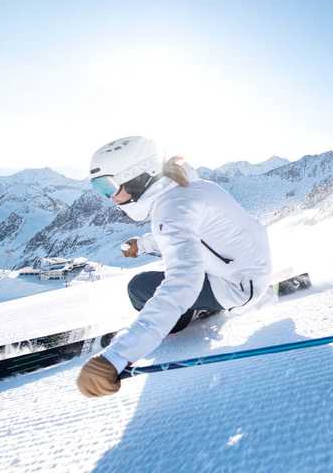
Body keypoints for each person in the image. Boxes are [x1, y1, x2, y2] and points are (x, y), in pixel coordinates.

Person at [76, 136, 272, 398]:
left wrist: (119, 355)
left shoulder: (171, 208)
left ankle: (182, 318)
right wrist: (141, 245)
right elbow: (190, 236)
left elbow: (182, 282)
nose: (108, 197)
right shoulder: (189, 188)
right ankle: (198, 305)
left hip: (236, 288)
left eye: (107, 186)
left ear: (137, 176)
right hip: (246, 271)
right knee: (150, 282)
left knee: (139, 288)